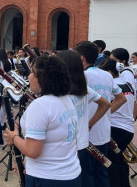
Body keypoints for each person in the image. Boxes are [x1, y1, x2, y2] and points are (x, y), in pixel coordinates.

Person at [3, 55, 81, 186]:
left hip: (47, 178)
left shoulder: (40, 105)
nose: (29, 76)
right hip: (70, 174)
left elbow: (33, 151)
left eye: (33, 72)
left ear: (44, 77)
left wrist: (14, 137)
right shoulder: (66, 99)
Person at [75, 41, 126, 187]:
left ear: (82, 58)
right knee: (102, 175)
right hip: (103, 133)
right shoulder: (107, 75)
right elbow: (121, 98)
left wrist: (91, 122)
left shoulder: (82, 76)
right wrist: (105, 115)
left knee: (86, 177)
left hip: (87, 136)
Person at [56, 51, 111, 180]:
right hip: (83, 144)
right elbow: (106, 104)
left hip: (66, 148)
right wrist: (89, 124)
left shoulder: (60, 93)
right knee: (87, 179)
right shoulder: (84, 89)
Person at [98, 58, 136, 187]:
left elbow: (106, 106)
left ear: (108, 72)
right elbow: (134, 104)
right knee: (120, 161)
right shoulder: (128, 85)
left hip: (115, 128)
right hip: (128, 129)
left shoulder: (111, 86)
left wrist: (103, 116)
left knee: (111, 165)